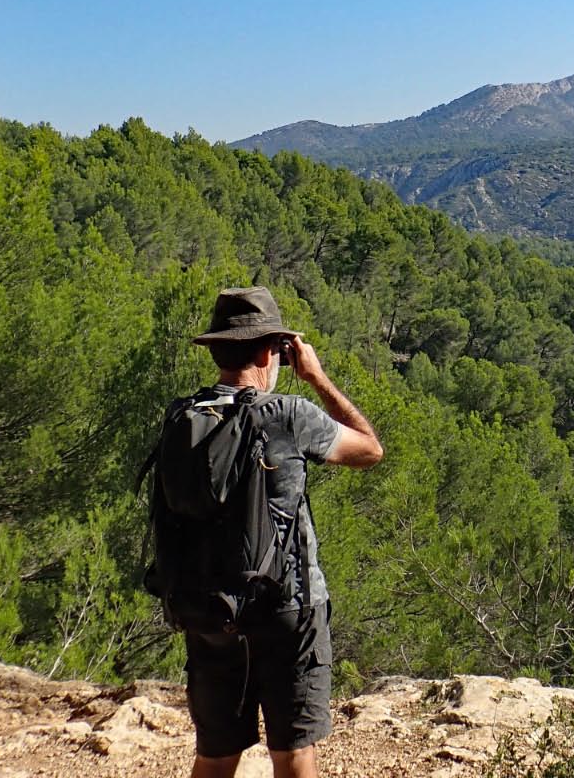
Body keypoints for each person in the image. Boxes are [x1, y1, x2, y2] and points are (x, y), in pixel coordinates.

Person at [183, 286, 383, 778]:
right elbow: (370, 449)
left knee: (215, 756)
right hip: (288, 608)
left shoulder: (183, 417)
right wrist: (317, 378)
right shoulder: (287, 416)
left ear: (216, 350)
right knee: (293, 753)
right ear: (269, 352)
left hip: (208, 608)